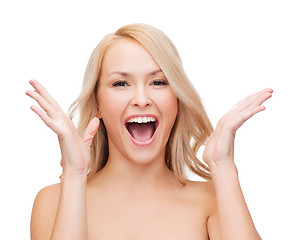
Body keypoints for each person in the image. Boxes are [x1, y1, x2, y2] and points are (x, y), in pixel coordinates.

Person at [26, 23, 272, 240]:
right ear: (97, 104)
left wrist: (223, 166)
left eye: (158, 82)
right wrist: (74, 174)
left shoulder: (213, 200)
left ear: (177, 100)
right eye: (121, 83)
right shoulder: (54, 200)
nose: (141, 99)